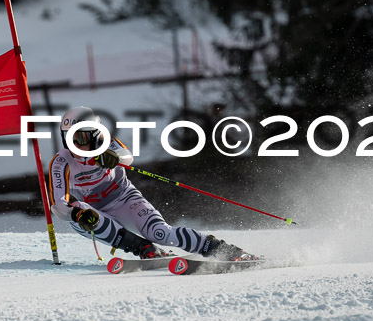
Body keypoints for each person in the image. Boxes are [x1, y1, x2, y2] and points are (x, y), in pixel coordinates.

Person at [48, 106, 258, 261]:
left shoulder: (106, 142)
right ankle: (143, 248)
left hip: (124, 198)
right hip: (96, 211)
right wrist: (75, 214)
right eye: (68, 138)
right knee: (82, 213)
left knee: (161, 233)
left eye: (81, 138)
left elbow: (127, 157)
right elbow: (58, 205)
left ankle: (224, 250)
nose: (75, 145)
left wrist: (113, 157)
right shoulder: (61, 162)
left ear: (95, 134)